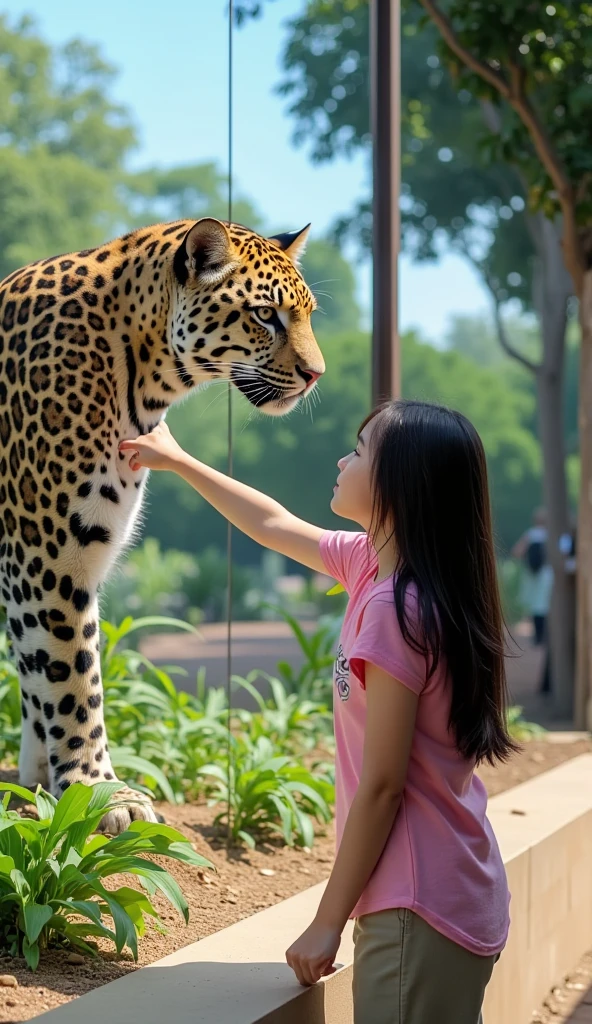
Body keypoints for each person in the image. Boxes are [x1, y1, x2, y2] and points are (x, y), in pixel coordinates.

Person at [120, 399, 514, 1024]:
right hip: (440, 888)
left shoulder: (396, 608)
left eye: (359, 451)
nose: (342, 459)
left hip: (417, 907)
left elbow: (383, 787)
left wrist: (326, 923)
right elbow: (273, 524)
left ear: (399, 485)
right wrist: (179, 461)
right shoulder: (375, 568)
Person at [511, 508, 554, 694]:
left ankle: (537, 637)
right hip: (545, 575)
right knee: (544, 605)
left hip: (533, 576)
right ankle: (543, 636)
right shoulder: (551, 535)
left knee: (537, 606)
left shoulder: (531, 534)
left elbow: (517, 552)